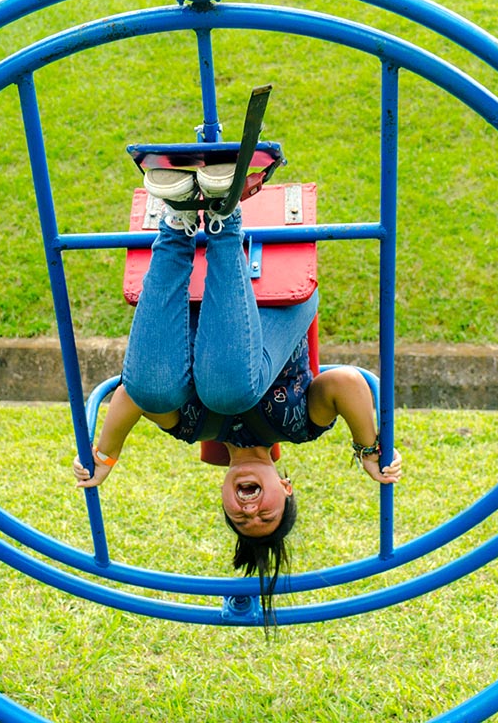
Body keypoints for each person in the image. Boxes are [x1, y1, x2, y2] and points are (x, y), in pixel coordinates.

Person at [72, 163, 402, 623]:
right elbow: (346, 384)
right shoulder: (299, 426)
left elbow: (132, 397)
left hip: (191, 300)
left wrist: (105, 456)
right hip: (277, 302)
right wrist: (369, 448)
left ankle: (179, 219)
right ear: (285, 488)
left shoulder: (191, 428)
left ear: (224, 497)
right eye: (265, 516)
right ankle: (225, 216)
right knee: (228, 391)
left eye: (240, 519)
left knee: (152, 389)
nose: (249, 511)